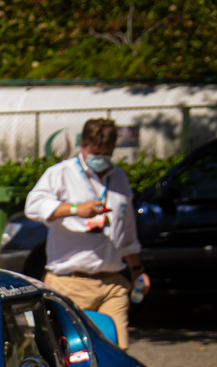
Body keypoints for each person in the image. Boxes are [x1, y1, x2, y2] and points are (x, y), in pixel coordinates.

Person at [24, 118, 148, 350]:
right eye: (95, 152)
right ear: (83, 146)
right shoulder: (60, 173)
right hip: (71, 282)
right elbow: (33, 206)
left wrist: (137, 270)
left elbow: (127, 232)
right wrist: (74, 209)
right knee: (73, 351)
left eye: (106, 152)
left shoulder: (118, 177)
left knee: (117, 350)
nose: (100, 157)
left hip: (112, 283)